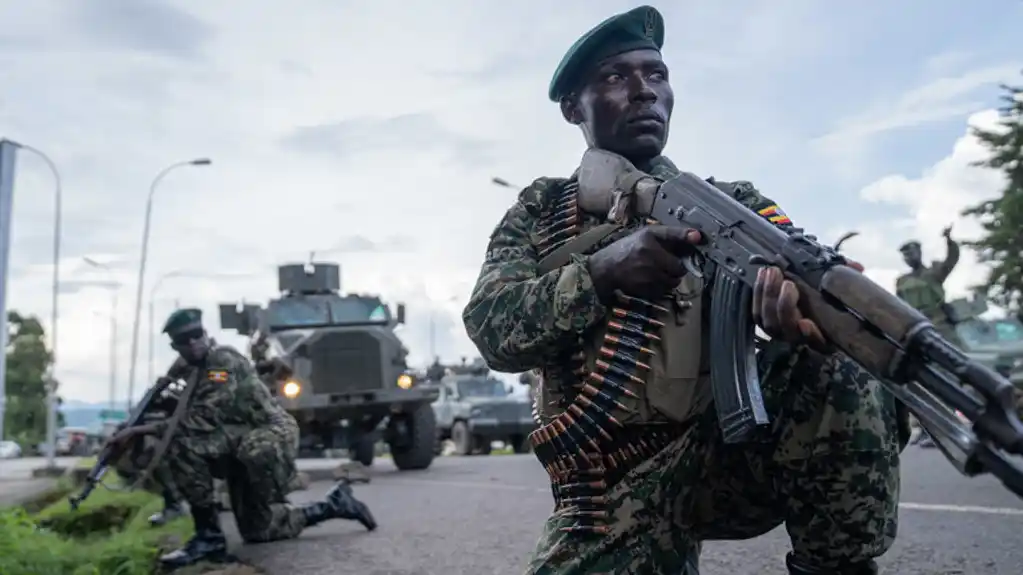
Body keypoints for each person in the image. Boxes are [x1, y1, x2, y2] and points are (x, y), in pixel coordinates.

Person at [461, 7, 906, 574]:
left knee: (839, 354)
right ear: (574, 107)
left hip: (725, 457)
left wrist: (802, 310)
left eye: (656, 74)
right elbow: (492, 328)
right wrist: (602, 272)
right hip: (606, 485)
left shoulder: (734, 204)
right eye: (616, 77)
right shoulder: (544, 210)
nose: (645, 92)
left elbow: (798, 266)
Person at [105, 308, 377, 569]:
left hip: (268, 433)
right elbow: (191, 405)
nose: (193, 343)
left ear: (205, 333)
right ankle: (334, 504)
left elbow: (204, 418)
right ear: (176, 346)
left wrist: (138, 431)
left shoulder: (220, 364)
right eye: (183, 340)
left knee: (184, 442)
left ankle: (209, 537)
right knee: (259, 530)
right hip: (236, 438)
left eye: (197, 334)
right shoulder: (192, 368)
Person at [896, 225, 962, 344]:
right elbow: (899, 305)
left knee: (954, 355)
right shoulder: (901, 281)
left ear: (919, 253)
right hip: (917, 326)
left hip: (939, 323)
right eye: (906, 256)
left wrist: (949, 241)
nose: (909, 258)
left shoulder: (933, 272)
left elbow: (951, 259)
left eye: (911, 253)